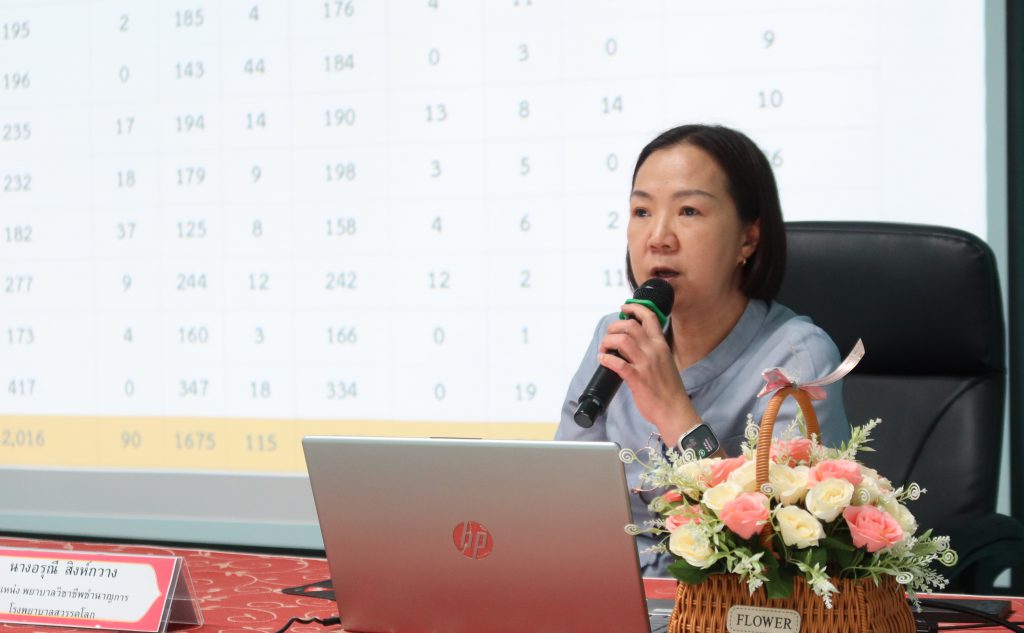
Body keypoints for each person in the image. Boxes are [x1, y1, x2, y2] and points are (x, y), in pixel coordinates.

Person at [556, 124, 850, 576]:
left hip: (724, 605)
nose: (658, 237)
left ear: (748, 239)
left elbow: (783, 553)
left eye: (689, 211)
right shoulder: (614, 336)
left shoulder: (797, 360)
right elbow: (562, 501)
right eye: (641, 211)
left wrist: (675, 413)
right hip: (612, 594)